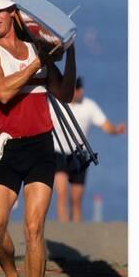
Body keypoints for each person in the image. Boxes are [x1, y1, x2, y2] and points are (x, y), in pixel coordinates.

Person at [0, 0, 76, 277]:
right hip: (7, 149)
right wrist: (38, 63)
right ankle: (11, 276)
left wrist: (69, 52)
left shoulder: (36, 48)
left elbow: (65, 94)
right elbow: (2, 92)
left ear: (12, 12)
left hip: (41, 148)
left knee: (34, 229)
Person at [51, 77, 126, 222]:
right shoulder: (56, 104)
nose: (81, 92)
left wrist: (116, 130)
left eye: (81, 89)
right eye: (78, 89)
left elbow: (105, 125)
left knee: (76, 198)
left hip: (80, 154)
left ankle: (76, 231)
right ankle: (64, 230)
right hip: (58, 152)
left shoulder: (89, 106)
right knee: (61, 194)